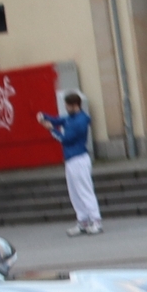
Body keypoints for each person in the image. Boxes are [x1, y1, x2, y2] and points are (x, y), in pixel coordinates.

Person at [37, 91, 101, 236]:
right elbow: (59, 120)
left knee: (85, 190)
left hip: (79, 159)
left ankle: (96, 220)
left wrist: (51, 129)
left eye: (67, 106)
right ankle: (83, 221)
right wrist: (44, 116)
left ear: (75, 105)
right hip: (71, 160)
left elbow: (65, 139)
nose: (66, 108)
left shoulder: (80, 121)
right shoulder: (72, 117)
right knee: (74, 192)